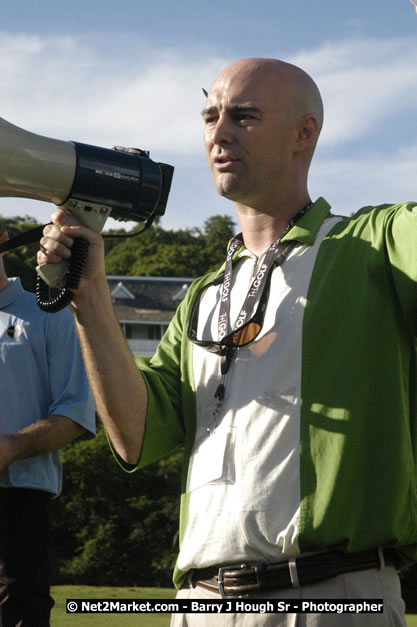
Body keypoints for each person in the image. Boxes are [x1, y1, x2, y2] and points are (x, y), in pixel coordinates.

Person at [36, 57, 416, 625]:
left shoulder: (377, 242)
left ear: (303, 133)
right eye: (210, 116)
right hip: (202, 603)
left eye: (244, 116)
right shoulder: (202, 296)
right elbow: (135, 436)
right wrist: (89, 296)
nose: (218, 132)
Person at [0, 222, 95, 626]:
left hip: (18, 502)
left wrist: (12, 447)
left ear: (3, 239)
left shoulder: (48, 310)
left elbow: (75, 413)